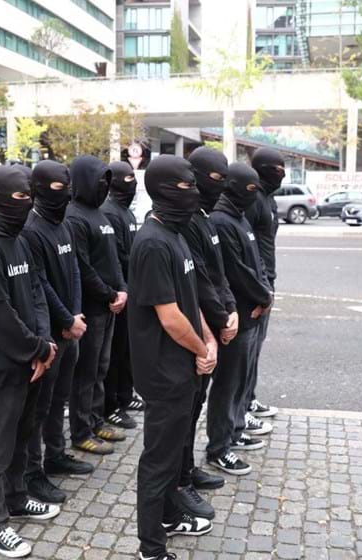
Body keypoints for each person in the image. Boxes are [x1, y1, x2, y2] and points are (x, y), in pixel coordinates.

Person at [0, 164, 60, 558]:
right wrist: (36, 349)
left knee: (23, 434)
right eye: (21, 197)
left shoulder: (18, 237)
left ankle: (17, 498)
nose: (29, 203)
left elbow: (36, 289)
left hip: (30, 358)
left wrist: (44, 344)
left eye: (30, 196)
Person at [128, 155, 217, 560]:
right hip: (163, 371)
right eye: (186, 186)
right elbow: (169, 317)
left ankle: (167, 516)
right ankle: (151, 548)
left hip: (185, 365)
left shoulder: (176, 233)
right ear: (163, 190)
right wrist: (201, 350)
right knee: (158, 461)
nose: (195, 193)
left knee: (173, 449)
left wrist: (209, 338)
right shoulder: (151, 242)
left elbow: (190, 298)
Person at [21, 160, 94, 504]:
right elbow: (40, 284)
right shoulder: (31, 229)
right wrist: (65, 321)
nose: (64, 193)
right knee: (39, 408)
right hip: (49, 334)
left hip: (70, 328)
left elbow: (75, 270)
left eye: (67, 186)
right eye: (56, 187)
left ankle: (56, 453)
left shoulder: (63, 224)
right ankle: (32, 473)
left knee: (59, 401)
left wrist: (75, 314)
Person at [175, 147, 237, 518]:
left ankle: (187, 469)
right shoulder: (184, 223)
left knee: (196, 406)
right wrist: (218, 318)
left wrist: (229, 311)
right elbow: (198, 279)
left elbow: (218, 272)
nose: (221, 186)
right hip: (197, 330)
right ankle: (179, 481)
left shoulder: (204, 217)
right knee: (185, 409)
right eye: (215, 178)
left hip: (216, 324)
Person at [207, 163, 273, 477]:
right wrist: (261, 296)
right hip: (238, 317)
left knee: (241, 380)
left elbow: (256, 260)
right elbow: (234, 272)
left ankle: (233, 430)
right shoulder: (221, 221)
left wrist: (265, 293)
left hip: (253, 313)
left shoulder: (240, 217)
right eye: (248, 188)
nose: (253, 194)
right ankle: (218, 447)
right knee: (227, 384)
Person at [64, 155, 127, 455]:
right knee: (85, 372)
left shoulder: (100, 214)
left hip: (109, 305)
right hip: (91, 308)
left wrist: (122, 290)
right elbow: (83, 267)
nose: (105, 185)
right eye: (100, 179)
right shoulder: (74, 217)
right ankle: (80, 431)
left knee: (101, 367)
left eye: (107, 179)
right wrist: (108, 295)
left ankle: (95, 418)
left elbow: (112, 260)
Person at [243, 148, 284, 426]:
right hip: (257, 284)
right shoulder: (253, 199)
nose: (281, 173)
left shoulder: (269, 199)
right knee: (246, 351)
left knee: (256, 348)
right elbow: (248, 247)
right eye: (276, 168)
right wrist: (259, 286)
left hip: (268, 279)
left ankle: (249, 397)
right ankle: (240, 408)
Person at [101, 160, 143, 430]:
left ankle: (126, 395)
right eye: (126, 178)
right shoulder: (110, 212)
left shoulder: (126, 212)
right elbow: (116, 256)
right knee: (113, 354)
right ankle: (110, 404)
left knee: (127, 349)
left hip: (131, 290)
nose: (133, 182)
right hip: (118, 293)